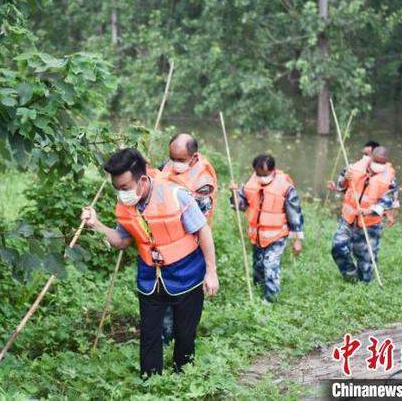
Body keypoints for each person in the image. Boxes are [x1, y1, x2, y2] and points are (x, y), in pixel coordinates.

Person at [80, 148, 219, 376]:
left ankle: (183, 379)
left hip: (187, 274)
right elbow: (122, 241)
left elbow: (203, 231)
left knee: (185, 334)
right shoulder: (125, 205)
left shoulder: (175, 195)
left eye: (125, 187)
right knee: (149, 333)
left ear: (142, 180)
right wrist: (96, 225)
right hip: (150, 277)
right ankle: (150, 383)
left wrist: (211, 272)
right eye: (117, 188)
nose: (122, 193)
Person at [159, 133, 218, 344]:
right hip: (165, 243)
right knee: (163, 294)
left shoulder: (203, 181)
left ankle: (181, 343)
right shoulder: (167, 166)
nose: (174, 164)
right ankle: (164, 339)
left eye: (181, 160)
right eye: (171, 157)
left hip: (190, 247)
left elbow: (199, 224)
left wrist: (211, 270)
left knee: (184, 298)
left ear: (194, 158)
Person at [230, 154, 304, 302]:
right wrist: (233, 193)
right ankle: (258, 290)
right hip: (257, 235)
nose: (261, 177)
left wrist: (297, 240)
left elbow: (295, 214)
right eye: (258, 174)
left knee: (270, 266)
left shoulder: (285, 187)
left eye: (265, 174)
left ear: (273, 170)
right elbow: (240, 206)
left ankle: (270, 300)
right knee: (258, 266)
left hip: (277, 235)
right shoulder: (250, 183)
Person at [328, 146, 398, 283]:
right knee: (337, 247)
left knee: (365, 260)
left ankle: (365, 284)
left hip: (370, 223)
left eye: (381, 163)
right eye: (376, 162)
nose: (377, 167)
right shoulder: (354, 168)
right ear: (371, 158)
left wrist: (369, 210)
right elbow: (341, 186)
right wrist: (343, 180)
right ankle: (351, 277)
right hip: (348, 219)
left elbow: (388, 201)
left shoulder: (389, 177)